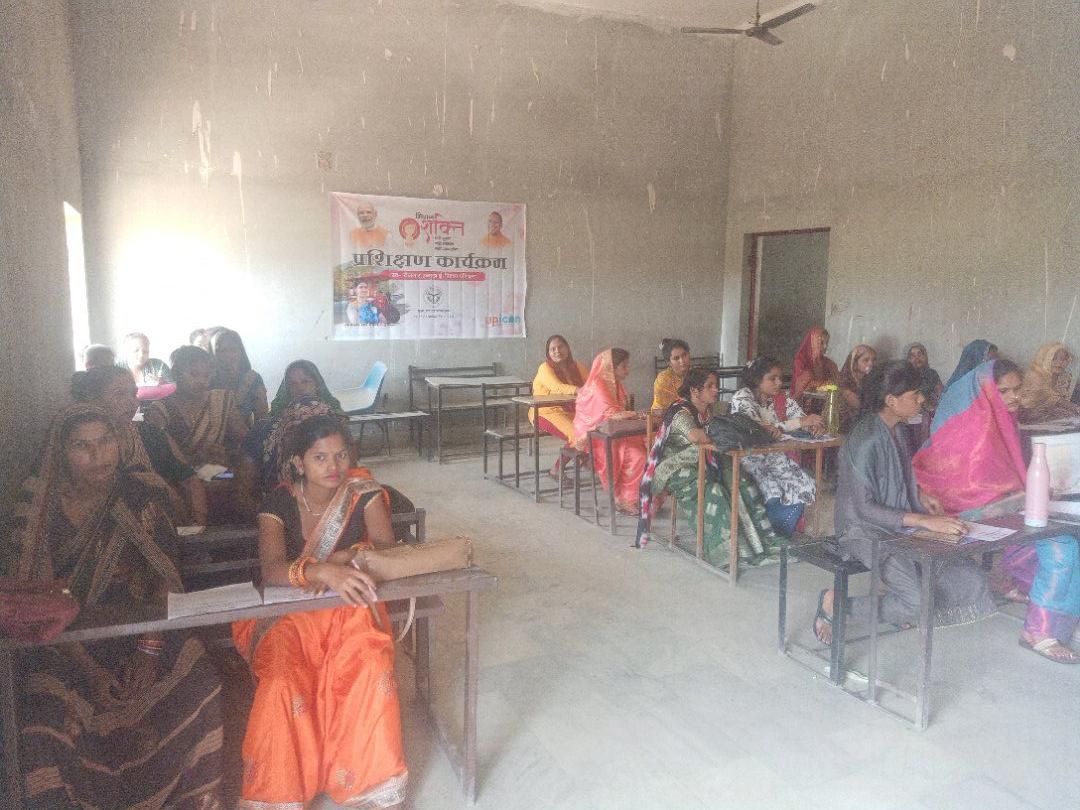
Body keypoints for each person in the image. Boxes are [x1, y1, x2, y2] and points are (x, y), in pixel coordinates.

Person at [5, 404, 223, 808]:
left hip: (139, 630)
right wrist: (90, 670)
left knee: (198, 677)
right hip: (63, 643)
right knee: (44, 719)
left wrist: (148, 653)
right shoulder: (37, 507)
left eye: (105, 442)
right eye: (82, 446)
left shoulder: (141, 495)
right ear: (61, 452)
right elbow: (36, 604)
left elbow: (164, 577)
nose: (98, 455)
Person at [232, 416, 407, 809]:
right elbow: (272, 569)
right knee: (282, 680)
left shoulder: (363, 493)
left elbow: (386, 551)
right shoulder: (278, 502)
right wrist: (322, 570)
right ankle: (281, 793)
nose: (334, 466)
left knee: (369, 666)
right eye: (320, 457)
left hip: (349, 609)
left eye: (341, 455)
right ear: (299, 462)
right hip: (289, 614)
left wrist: (345, 558)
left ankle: (367, 785)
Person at [813, 362, 996, 646]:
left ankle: (893, 599)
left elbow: (896, 481)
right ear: (891, 400)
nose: (921, 399)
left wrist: (921, 497)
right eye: (915, 394)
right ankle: (836, 604)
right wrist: (924, 521)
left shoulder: (898, 430)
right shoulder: (865, 440)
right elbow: (864, 508)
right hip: (863, 530)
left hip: (898, 524)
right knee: (917, 604)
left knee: (972, 579)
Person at [912, 359, 1080, 662]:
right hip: (967, 519)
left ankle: (1063, 620)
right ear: (986, 392)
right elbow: (967, 497)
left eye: (1018, 389)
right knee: (1061, 548)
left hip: (1005, 515)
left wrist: (1031, 494)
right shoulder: (969, 431)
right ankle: (1037, 630)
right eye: (1004, 391)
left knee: (1069, 541)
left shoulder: (1004, 421)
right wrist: (1022, 498)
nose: (1015, 397)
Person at [637, 368, 781, 565]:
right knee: (714, 491)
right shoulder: (680, 412)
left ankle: (762, 543)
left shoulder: (710, 409)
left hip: (704, 460)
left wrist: (761, 428)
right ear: (694, 390)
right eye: (710, 386)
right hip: (675, 467)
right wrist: (732, 432)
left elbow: (736, 421)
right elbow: (698, 437)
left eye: (716, 385)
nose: (716, 390)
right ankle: (725, 553)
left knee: (740, 480)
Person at [71, 366, 208, 525]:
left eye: (133, 394)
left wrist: (198, 523)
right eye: (119, 394)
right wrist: (143, 483)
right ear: (93, 400)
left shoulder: (151, 435)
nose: (131, 402)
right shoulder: (77, 443)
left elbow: (189, 479)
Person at [729, 356, 822, 536]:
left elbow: (801, 418)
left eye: (780, 378)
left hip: (774, 457)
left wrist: (812, 425)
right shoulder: (742, 398)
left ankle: (780, 534)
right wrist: (800, 422)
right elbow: (758, 429)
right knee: (771, 490)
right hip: (748, 458)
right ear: (757, 380)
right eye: (772, 378)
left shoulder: (780, 398)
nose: (779, 383)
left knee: (805, 485)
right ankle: (765, 536)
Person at [572, 348, 647, 515]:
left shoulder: (614, 384)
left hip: (610, 429)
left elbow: (617, 414)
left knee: (648, 445)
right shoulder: (598, 384)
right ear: (611, 367)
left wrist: (633, 415)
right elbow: (610, 414)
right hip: (593, 434)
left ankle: (636, 495)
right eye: (624, 366)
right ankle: (623, 498)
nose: (628, 370)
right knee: (638, 455)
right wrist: (636, 415)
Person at [145, 345, 247, 467]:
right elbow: (157, 457)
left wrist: (227, 454)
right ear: (176, 373)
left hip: (219, 471)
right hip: (179, 474)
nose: (201, 381)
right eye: (194, 374)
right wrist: (197, 458)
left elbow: (246, 440)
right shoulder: (160, 410)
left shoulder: (221, 401)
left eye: (207, 375)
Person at [529, 334, 588, 446]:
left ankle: (572, 456)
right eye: (553, 349)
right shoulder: (544, 368)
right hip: (545, 412)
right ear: (548, 353)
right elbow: (557, 387)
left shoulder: (577, 366)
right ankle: (567, 457)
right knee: (578, 435)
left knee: (594, 431)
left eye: (561, 347)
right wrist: (579, 390)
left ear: (567, 348)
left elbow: (590, 383)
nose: (557, 351)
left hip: (571, 410)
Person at [209, 328, 268, 425]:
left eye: (233, 349)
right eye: (223, 350)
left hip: (245, 433)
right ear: (216, 354)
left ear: (241, 352)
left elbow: (262, 419)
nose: (228, 355)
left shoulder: (253, 379)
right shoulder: (207, 379)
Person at [1018, 341, 1080, 423]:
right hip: (1026, 414)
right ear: (1044, 358)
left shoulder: (1064, 377)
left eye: (1064, 359)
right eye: (1054, 358)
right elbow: (1053, 399)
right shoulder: (1035, 375)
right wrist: (1076, 408)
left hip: (1047, 412)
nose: (1060, 363)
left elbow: (1061, 400)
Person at [791, 325, 840, 401]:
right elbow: (801, 388)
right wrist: (822, 384)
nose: (825, 347)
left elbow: (836, 381)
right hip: (802, 402)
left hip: (822, 401)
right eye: (821, 343)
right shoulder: (800, 361)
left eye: (827, 343)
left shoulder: (828, 363)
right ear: (812, 342)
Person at [837, 344, 876, 432]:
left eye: (873, 360)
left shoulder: (868, 381)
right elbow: (860, 406)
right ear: (854, 363)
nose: (871, 364)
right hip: (845, 429)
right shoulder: (843, 383)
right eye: (866, 360)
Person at [651, 338, 691, 413]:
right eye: (676, 358)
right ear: (669, 362)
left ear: (689, 354)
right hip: (666, 417)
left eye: (684, 355)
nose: (682, 361)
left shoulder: (697, 374)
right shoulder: (663, 379)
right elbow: (659, 410)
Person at [903, 342, 943, 407]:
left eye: (920, 354)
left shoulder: (932, 374)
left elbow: (940, 393)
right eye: (913, 356)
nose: (917, 358)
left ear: (925, 357)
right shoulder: (904, 377)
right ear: (908, 359)